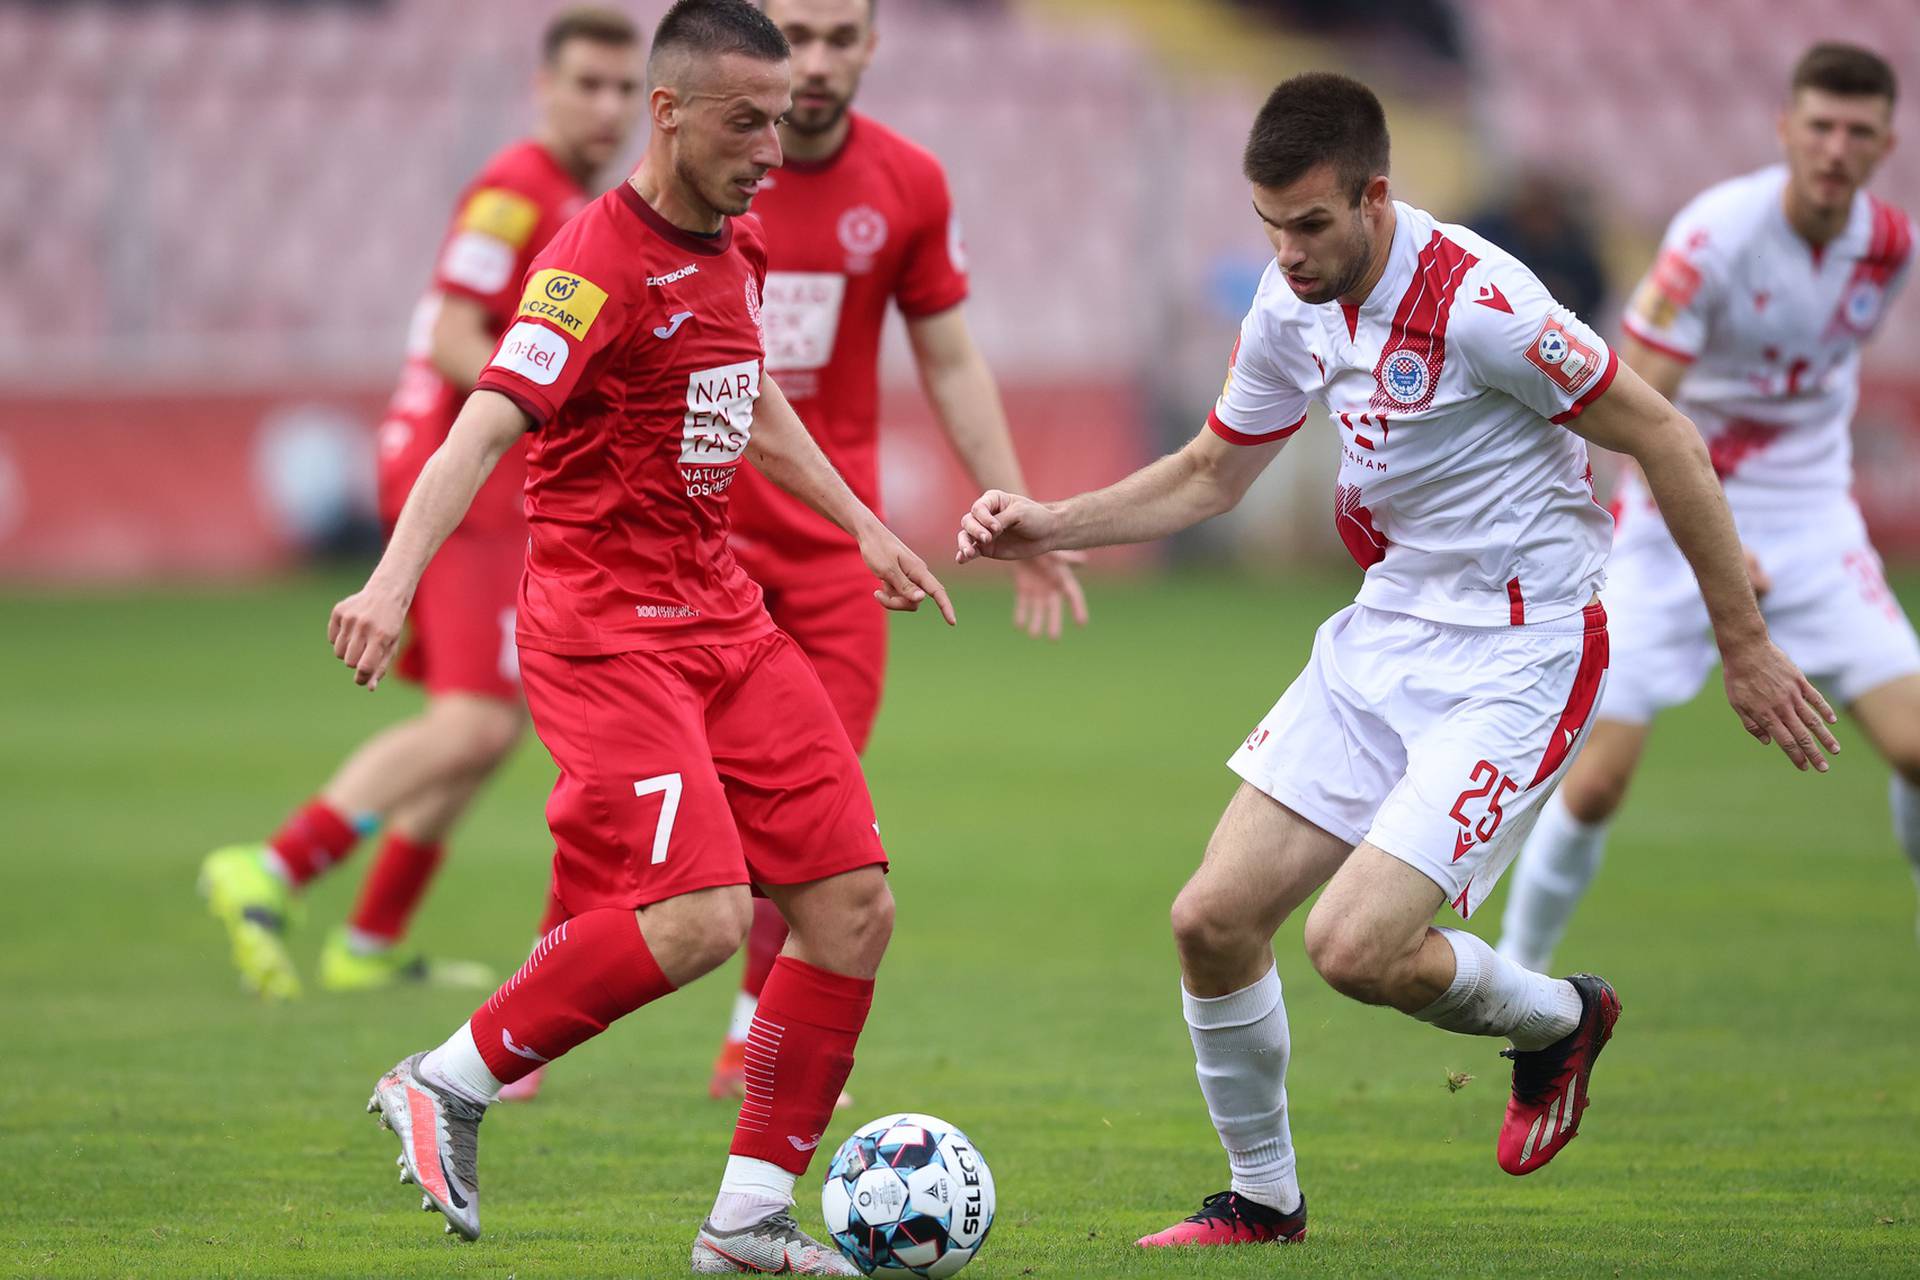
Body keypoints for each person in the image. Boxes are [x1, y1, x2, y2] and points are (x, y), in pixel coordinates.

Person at [955, 72, 1837, 1248]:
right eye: (1271, 226)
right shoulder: (1289, 300)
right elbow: (1215, 471)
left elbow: (1665, 435)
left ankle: (1559, 1018)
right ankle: (1263, 1201)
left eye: (1313, 225)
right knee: (1211, 919)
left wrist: (1746, 645)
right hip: (1387, 630)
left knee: (1353, 947)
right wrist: (1047, 522)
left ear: (1378, 195)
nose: (1291, 253)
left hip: (1524, 645)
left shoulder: (1483, 303)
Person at [331, 3, 951, 1271]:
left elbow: (752, 397)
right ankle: (444, 1079)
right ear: (667, 115)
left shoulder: (740, 243)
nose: (773, 147)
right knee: (704, 912)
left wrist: (861, 527)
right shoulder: (587, 262)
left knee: (852, 907)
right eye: (745, 121)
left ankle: (747, 1221)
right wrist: (394, 582)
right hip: (606, 630)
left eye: (780, 121)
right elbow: (483, 423)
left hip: (725, 613)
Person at [197, 8, 644, 999]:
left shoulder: (569, 195)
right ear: (544, 87)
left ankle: (371, 937)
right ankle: (271, 866)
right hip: (461, 478)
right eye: (589, 85)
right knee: (477, 721)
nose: (608, 107)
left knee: (492, 721)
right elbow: (450, 330)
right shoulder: (515, 189)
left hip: (486, 481)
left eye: (624, 89)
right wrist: (546, 398)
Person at [1498, 43, 1920, 970]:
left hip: (1810, 521)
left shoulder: (1888, 246)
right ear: (1785, 130)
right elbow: (1637, 411)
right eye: (1819, 125)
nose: (1836, 148)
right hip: (1674, 511)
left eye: (1858, 131)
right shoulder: (1715, 238)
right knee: (1598, 780)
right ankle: (1517, 981)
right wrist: (1720, 541)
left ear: (1886, 142)